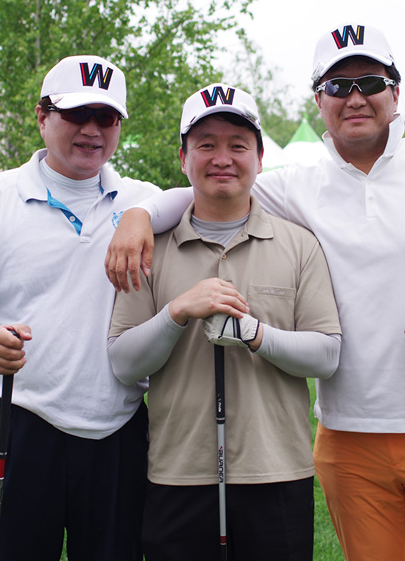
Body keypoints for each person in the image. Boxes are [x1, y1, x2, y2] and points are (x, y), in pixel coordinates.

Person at [104, 24, 405, 561]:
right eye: (337, 86)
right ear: (319, 100)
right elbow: (211, 188)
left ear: (396, 93)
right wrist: (139, 214)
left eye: (370, 82)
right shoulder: (297, 186)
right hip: (346, 432)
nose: (355, 97)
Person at [0, 55, 159, 561]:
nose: (92, 130)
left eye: (106, 117)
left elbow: (205, 195)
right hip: (21, 419)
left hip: (119, 426)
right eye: (76, 114)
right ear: (41, 116)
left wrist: (141, 212)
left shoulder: (143, 198)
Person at [107, 84, 341, 560]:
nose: (222, 158)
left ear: (259, 158)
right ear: (183, 159)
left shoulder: (300, 244)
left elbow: (327, 355)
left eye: (237, 145)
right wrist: (176, 313)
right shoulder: (149, 247)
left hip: (277, 471)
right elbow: (124, 363)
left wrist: (255, 335)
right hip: (177, 472)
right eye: (206, 144)